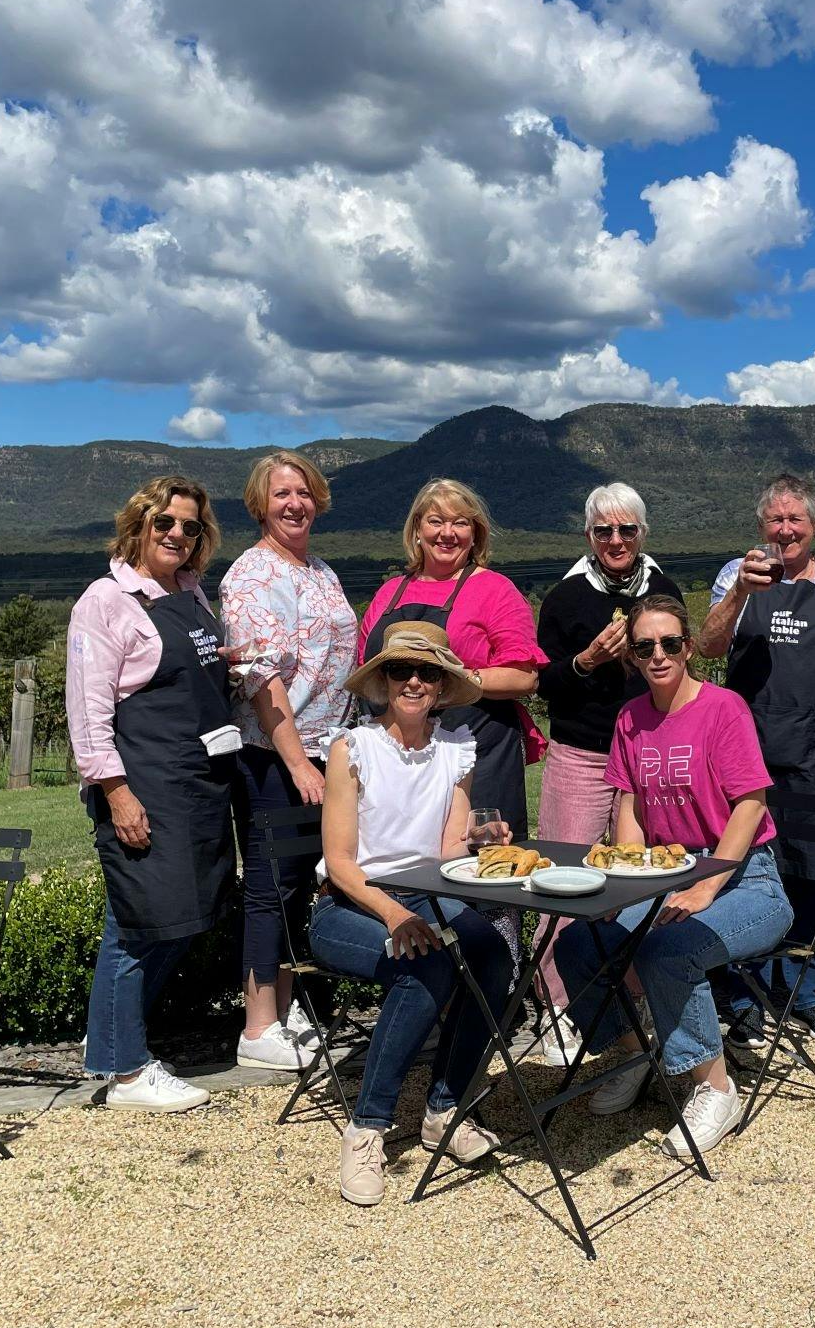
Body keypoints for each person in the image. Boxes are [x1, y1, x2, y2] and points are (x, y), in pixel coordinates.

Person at [555, 594, 793, 1158]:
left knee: (667, 951)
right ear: (632, 656)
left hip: (746, 881)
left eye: (669, 643)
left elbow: (751, 805)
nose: (657, 655)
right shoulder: (631, 718)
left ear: (688, 647)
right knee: (581, 943)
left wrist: (709, 884)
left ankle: (714, 1088)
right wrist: (629, 881)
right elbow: (631, 806)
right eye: (644, 646)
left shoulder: (723, 708)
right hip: (667, 874)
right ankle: (642, 1049)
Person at [310, 622, 515, 1207]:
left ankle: (443, 1109)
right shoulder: (353, 749)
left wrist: (480, 836)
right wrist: (396, 916)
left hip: (426, 896)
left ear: (444, 686)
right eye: (402, 670)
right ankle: (367, 1128)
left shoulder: (456, 750)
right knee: (427, 968)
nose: (415, 682)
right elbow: (340, 863)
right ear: (383, 680)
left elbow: (448, 850)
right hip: (350, 905)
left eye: (428, 672)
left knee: (494, 959)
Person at [66, 475, 245, 1112]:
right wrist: (117, 794)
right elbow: (88, 715)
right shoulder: (106, 600)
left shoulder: (192, 593)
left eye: (190, 526)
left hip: (197, 786)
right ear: (138, 525)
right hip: (145, 786)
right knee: (138, 926)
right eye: (164, 522)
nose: (176, 534)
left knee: (179, 920)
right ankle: (127, 1070)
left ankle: (112, 1045)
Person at [697, 472, 815, 1047]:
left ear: (814, 526)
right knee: (744, 869)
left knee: (811, 871)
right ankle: (744, 995)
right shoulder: (732, 575)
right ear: (761, 527)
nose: (786, 530)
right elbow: (709, 647)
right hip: (745, 752)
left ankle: (804, 993)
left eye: (796, 520)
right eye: (776, 520)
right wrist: (742, 593)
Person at [529, 483, 681, 1064]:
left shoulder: (661, 590)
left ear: (643, 533)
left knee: (637, 880)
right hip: (584, 753)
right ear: (588, 537)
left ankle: (633, 1005)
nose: (616, 540)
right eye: (603, 532)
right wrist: (588, 661)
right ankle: (560, 1012)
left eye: (627, 530)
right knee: (562, 878)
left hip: (647, 753)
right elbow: (546, 681)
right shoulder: (566, 598)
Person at [219, 450, 359, 1071]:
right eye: (281, 494)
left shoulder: (320, 570)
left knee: (301, 883)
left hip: (328, 747)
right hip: (279, 755)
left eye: (303, 492)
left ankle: (286, 1005)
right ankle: (257, 1026)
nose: (294, 503)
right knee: (270, 885)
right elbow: (261, 679)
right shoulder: (250, 577)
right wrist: (297, 762)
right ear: (259, 504)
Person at [357, 479, 547, 846]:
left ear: (475, 535)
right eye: (435, 521)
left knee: (483, 864)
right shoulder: (388, 592)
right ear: (416, 531)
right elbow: (367, 670)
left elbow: (525, 677)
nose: (448, 533)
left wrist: (452, 679)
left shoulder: (495, 590)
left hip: (476, 754)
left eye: (460, 523)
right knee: (404, 859)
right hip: (399, 762)